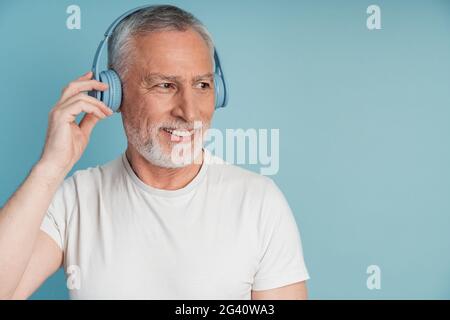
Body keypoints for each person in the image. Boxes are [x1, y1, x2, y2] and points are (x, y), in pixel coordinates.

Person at [0, 4, 309, 300]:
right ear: (113, 93)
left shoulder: (259, 203)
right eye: (165, 85)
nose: (189, 113)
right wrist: (49, 169)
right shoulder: (75, 200)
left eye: (202, 85)